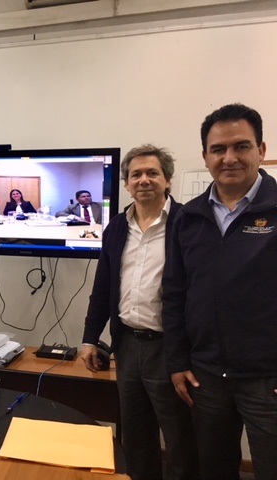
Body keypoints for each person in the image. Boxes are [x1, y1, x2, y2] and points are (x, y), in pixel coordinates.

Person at [163, 103, 277, 480]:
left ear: (261, 150)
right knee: (213, 470)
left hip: (267, 380)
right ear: (205, 156)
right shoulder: (188, 216)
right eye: (218, 150)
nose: (229, 158)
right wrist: (177, 361)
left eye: (241, 146)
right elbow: (175, 292)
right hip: (205, 377)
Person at [81, 145, 198, 480]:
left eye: (152, 173)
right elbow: (102, 288)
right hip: (128, 346)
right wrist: (90, 339)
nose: (144, 180)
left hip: (171, 350)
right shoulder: (117, 227)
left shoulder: (188, 223)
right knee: (135, 436)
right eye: (136, 175)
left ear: (167, 181)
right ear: (127, 184)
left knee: (179, 439)